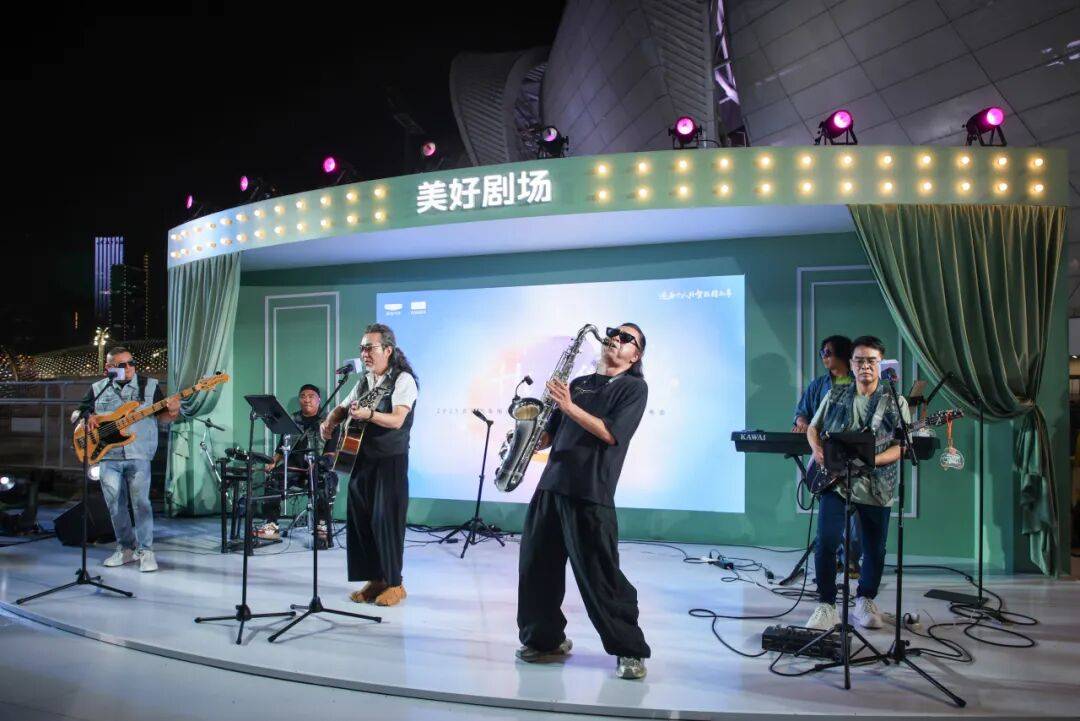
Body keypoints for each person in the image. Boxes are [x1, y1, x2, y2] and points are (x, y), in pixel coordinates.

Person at [516, 323, 651, 680]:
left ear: (635, 355)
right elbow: (551, 434)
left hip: (590, 490)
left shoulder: (634, 388)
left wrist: (568, 405)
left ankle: (629, 650)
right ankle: (544, 640)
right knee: (536, 569)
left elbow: (610, 433)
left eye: (627, 338)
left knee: (600, 576)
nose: (616, 338)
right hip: (551, 486)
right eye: (614, 332)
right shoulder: (577, 384)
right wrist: (530, 432)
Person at [805, 336, 910, 631]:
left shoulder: (895, 401)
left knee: (874, 549)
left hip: (877, 485)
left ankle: (865, 599)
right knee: (826, 542)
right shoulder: (836, 394)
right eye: (859, 360)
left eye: (871, 361)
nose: (865, 366)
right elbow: (813, 428)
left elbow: (902, 446)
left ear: (881, 364)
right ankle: (827, 605)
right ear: (851, 364)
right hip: (836, 482)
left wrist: (872, 461)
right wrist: (817, 450)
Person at [321, 323, 418, 607]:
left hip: (389, 461)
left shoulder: (403, 380)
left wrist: (370, 414)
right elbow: (344, 406)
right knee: (361, 521)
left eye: (370, 348)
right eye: (362, 348)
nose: (364, 353)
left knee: (385, 522)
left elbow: (397, 419)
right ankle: (376, 579)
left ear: (388, 350)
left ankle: (395, 583)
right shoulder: (365, 381)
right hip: (361, 460)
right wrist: (330, 421)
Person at [77, 347, 179, 572]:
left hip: (139, 453)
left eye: (132, 362)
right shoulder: (98, 388)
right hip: (107, 455)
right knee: (115, 505)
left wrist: (173, 412)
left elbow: (163, 417)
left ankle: (146, 550)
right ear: (110, 368)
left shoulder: (148, 385)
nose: (130, 367)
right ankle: (125, 548)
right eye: (123, 365)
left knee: (142, 504)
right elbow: (77, 413)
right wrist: (87, 417)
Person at [793, 335, 861, 575]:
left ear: (842, 354)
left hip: (852, 455)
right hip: (824, 454)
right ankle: (833, 559)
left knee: (855, 509)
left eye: (828, 352)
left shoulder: (859, 381)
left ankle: (851, 559)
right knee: (831, 508)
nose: (823, 356)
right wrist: (802, 423)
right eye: (822, 352)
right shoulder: (818, 385)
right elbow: (801, 412)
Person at [256, 384, 329, 544]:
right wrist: (273, 462)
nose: (306, 400)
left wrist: (320, 462)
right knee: (273, 479)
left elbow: (333, 450)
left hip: (317, 467)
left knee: (324, 481)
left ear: (319, 400)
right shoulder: (292, 420)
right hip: (293, 468)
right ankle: (271, 528)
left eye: (311, 396)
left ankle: (322, 533)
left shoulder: (328, 420)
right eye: (303, 396)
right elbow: (281, 447)